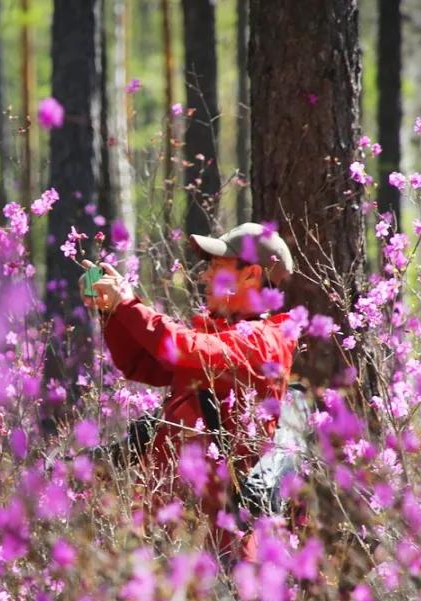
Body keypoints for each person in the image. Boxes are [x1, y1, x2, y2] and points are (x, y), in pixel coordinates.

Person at [80, 222, 297, 568]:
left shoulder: (264, 341)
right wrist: (113, 312)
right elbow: (141, 364)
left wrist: (129, 305)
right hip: (178, 532)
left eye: (216, 267)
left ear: (250, 275)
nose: (204, 277)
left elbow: (185, 348)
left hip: (220, 547)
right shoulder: (222, 334)